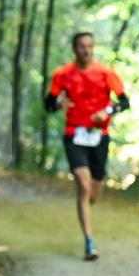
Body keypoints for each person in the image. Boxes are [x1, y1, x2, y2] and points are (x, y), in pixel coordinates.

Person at [45, 32, 129, 261]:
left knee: (92, 192)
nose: (86, 50)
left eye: (90, 46)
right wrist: (58, 104)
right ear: (74, 49)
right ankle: (89, 242)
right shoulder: (62, 74)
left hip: (98, 136)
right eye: (82, 46)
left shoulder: (105, 73)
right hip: (74, 134)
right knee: (83, 184)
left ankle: (86, 205)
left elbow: (124, 102)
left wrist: (108, 111)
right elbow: (49, 104)